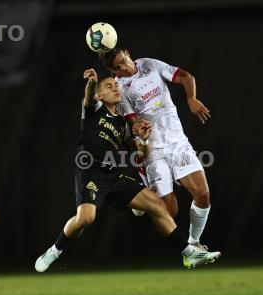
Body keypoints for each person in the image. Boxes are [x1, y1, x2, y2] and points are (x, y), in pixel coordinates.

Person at [35, 68, 219, 273]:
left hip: (112, 173)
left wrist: (144, 138)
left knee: (158, 206)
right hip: (91, 170)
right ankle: (55, 250)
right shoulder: (94, 109)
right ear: (100, 94)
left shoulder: (123, 124)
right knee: (86, 219)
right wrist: (93, 82)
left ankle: (189, 253)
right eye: (109, 86)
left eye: (116, 86)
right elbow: (88, 97)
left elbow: (141, 154)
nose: (115, 88)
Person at [100, 49, 219, 257]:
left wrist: (191, 98)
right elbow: (132, 122)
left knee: (203, 194)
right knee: (168, 212)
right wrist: (139, 129)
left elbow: (185, 76)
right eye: (117, 68)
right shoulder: (121, 88)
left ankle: (194, 244)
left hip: (178, 143)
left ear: (128, 54)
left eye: (123, 61)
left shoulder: (149, 64)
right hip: (154, 151)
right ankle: (143, 198)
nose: (123, 68)